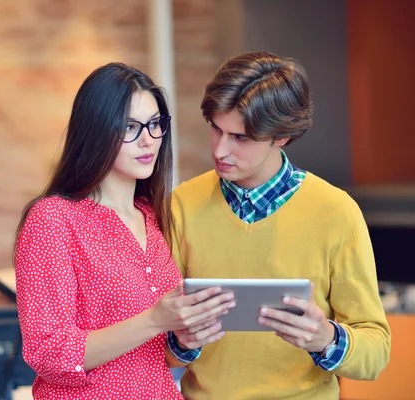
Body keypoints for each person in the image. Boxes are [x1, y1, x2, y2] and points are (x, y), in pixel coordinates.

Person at [167, 51, 391, 399]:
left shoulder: (336, 212)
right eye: (215, 129)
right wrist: (180, 343)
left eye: (240, 137)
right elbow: (154, 342)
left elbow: (375, 353)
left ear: (282, 136)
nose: (220, 150)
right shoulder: (181, 204)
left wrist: (325, 339)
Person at [13, 62, 234, 399]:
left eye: (155, 124)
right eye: (130, 126)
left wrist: (184, 341)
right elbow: (49, 352)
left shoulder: (152, 216)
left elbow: (155, 358)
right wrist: (155, 321)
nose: (148, 140)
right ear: (96, 130)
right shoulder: (53, 219)